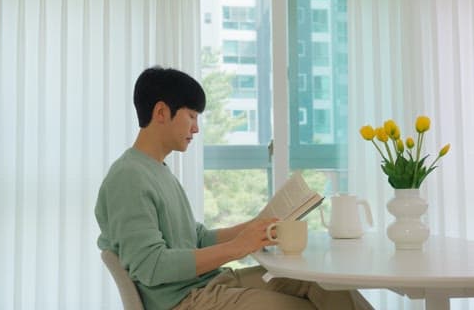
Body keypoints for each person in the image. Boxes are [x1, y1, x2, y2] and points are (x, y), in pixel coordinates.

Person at [94, 66, 372, 310]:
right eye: (191, 116)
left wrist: (255, 227)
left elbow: (197, 239)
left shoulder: (157, 169)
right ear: (162, 112)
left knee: (325, 284)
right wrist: (239, 247)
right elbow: (152, 266)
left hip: (210, 284)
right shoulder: (128, 178)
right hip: (186, 301)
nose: (196, 128)